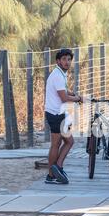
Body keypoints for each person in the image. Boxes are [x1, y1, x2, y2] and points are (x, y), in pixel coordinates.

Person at [44, 48, 83, 185]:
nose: (67, 62)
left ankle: (58, 167)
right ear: (58, 61)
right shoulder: (57, 75)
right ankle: (50, 175)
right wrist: (77, 98)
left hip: (60, 114)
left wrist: (72, 94)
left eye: (69, 59)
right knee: (55, 144)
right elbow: (63, 97)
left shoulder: (60, 74)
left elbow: (64, 92)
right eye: (64, 59)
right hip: (55, 114)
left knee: (69, 142)